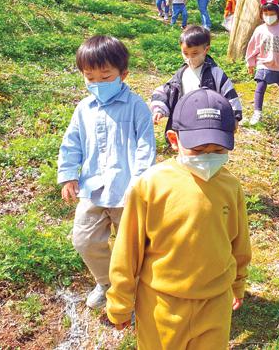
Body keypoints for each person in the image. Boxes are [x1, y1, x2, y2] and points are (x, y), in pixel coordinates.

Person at [106, 88, 252, 349]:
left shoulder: (231, 186)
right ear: (174, 139)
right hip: (161, 305)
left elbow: (239, 243)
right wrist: (120, 302)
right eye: (198, 149)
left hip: (215, 303)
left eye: (218, 149)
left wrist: (238, 284)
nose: (208, 157)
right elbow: (127, 250)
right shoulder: (151, 185)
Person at [57, 35, 156, 309]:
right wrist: (68, 175)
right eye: (90, 78)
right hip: (92, 189)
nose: (98, 83)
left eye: (105, 76)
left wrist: (139, 184)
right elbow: (72, 143)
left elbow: (145, 147)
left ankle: (132, 289)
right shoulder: (83, 109)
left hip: (127, 192)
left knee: (132, 247)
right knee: (84, 239)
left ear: (123, 74)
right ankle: (107, 282)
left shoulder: (136, 107)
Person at [151, 25, 243, 136]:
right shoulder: (182, 73)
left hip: (208, 124)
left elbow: (230, 95)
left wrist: (234, 117)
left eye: (194, 53)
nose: (190, 58)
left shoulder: (215, 73)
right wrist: (159, 109)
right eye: (185, 53)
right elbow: (165, 91)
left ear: (206, 49)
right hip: (184, 124)